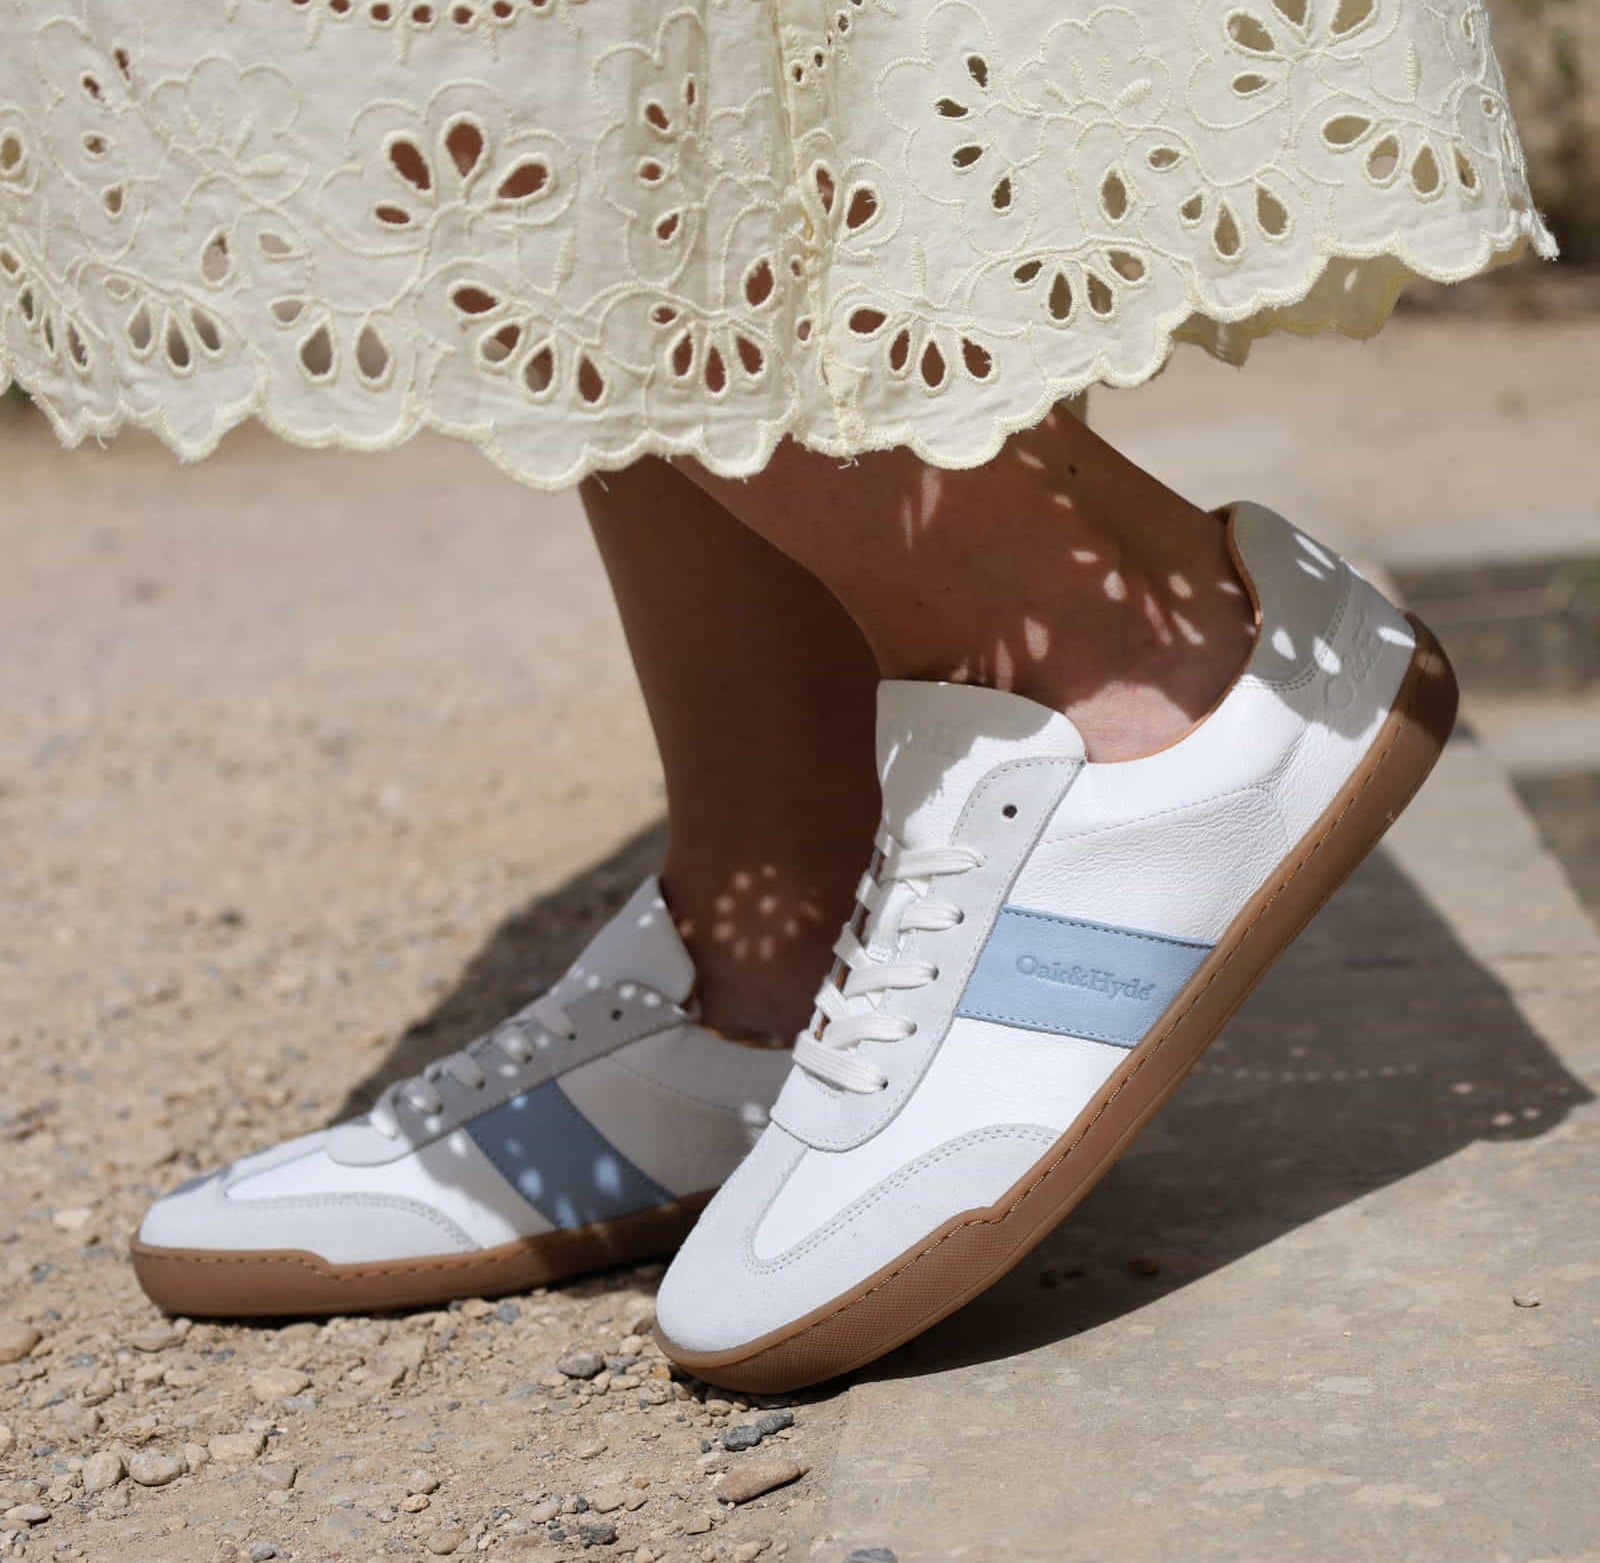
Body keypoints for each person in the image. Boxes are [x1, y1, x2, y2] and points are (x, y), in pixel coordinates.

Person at [1, 0, 1551, 1390]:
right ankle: (777, 940)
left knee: (544, 61)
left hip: (1150, 665)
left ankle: (1135, 663)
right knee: (634, 75)